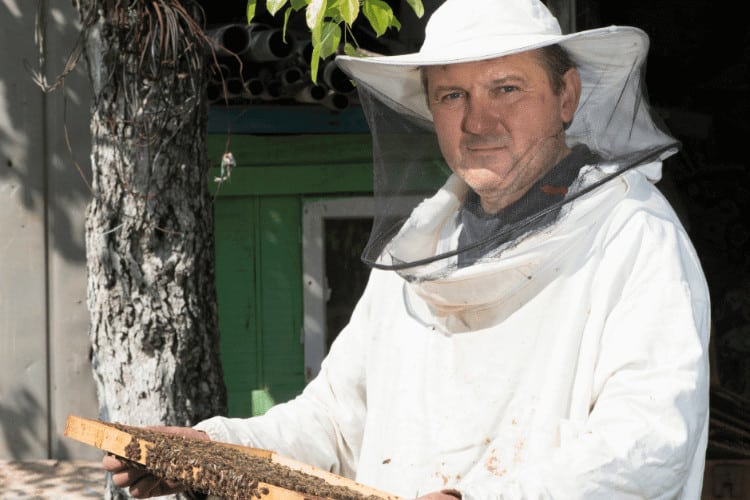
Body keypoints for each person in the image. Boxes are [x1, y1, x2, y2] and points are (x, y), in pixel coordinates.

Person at [104, 0, 711, 498]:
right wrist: (211, 452)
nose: (479, 121)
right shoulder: (420, 254)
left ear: (567, 96)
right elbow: (335, 424)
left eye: (506, 88)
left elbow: (649, 440)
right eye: (453, 96)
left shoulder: (632, 237)